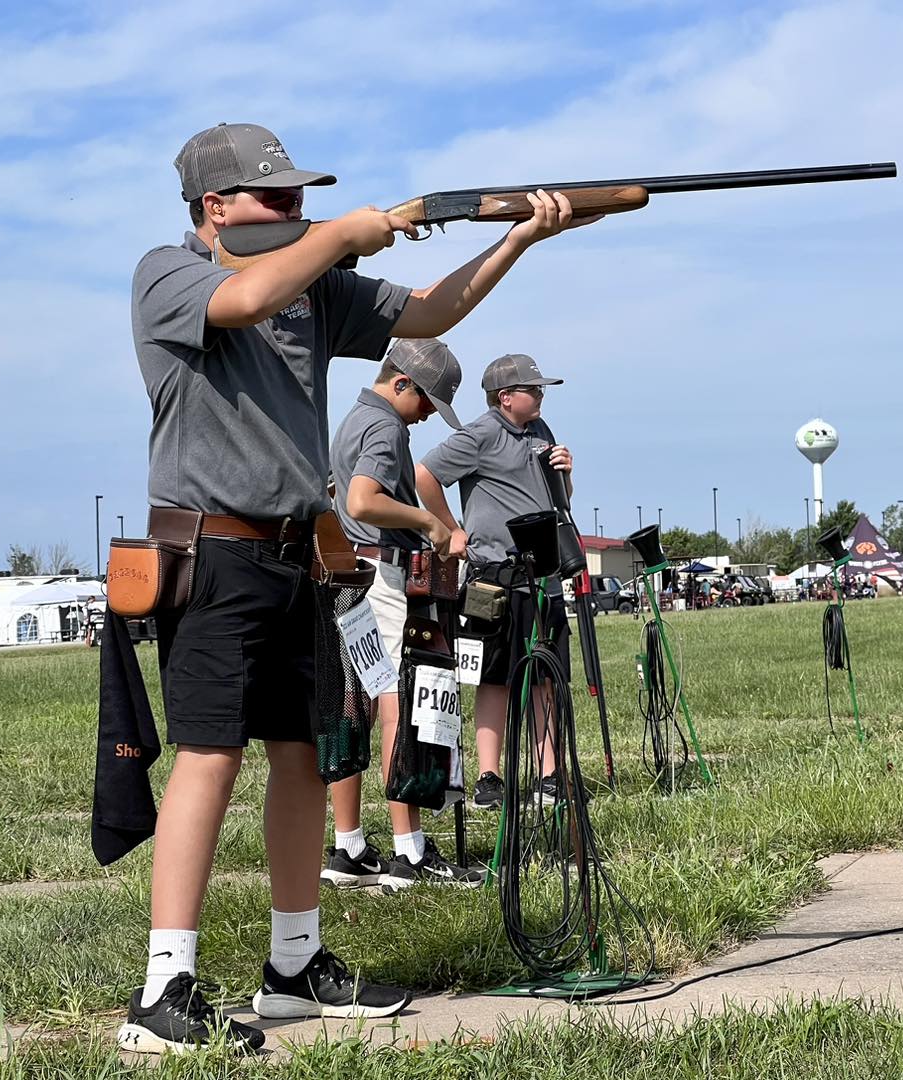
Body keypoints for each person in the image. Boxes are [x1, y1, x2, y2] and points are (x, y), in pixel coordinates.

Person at [117, 123, 595, 1056]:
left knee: (305, 758)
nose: (297, 210)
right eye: (277, 198)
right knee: (210, 756)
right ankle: (164, 987)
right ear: (214, 207)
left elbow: (430, 313)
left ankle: (294, 964)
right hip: (212, 551)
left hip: (298, 554)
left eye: (302, 197)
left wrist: (518, 237)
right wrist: (347, 232)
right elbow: (246, 296)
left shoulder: (314, 284)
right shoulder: (167, 273)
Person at [323, 338, 481, 892]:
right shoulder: (386, 426)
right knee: (398, 707)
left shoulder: (353, 418)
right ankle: (409, 852)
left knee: (354, 707)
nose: (427, 415)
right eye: (427, 402)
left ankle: (348, 847)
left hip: (349, 572)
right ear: (401, 383)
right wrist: (429, 523)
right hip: (384, 575)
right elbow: (364, 499)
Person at [415, 354, 574, 812]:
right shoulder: (479, 435)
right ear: (505, 397)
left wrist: (566, 474)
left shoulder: (541, 431)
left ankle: (548, 775)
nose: (540, 395)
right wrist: (451, 529)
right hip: (496, 580)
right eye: (533, 389)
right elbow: (425, 475)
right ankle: (489, 777)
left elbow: (559, 501)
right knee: (494, 677)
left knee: (545, 678)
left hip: (544, 577)